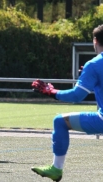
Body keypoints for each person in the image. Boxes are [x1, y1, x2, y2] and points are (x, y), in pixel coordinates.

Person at [31, 24, 103, 181]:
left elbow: (77, 96)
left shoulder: (94, 64)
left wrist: (52, 92)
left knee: (60, 121)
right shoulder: (93, 67)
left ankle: (56, 168)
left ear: (95, 41)